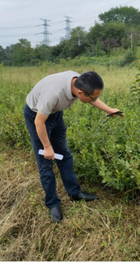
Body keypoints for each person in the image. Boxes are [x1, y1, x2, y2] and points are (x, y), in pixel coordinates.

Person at [23, 71, 123, 223]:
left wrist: (109, 110)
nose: (95, 99)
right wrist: (47, 146)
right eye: (94, 97)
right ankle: (52, 204)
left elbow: (90, 98)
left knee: (64, 154)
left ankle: (75, 193)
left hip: (55, 114)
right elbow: (39, 122)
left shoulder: (79, 81)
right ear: (80, 92)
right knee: (45, 163)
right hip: (37, 116)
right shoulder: (53, 94)